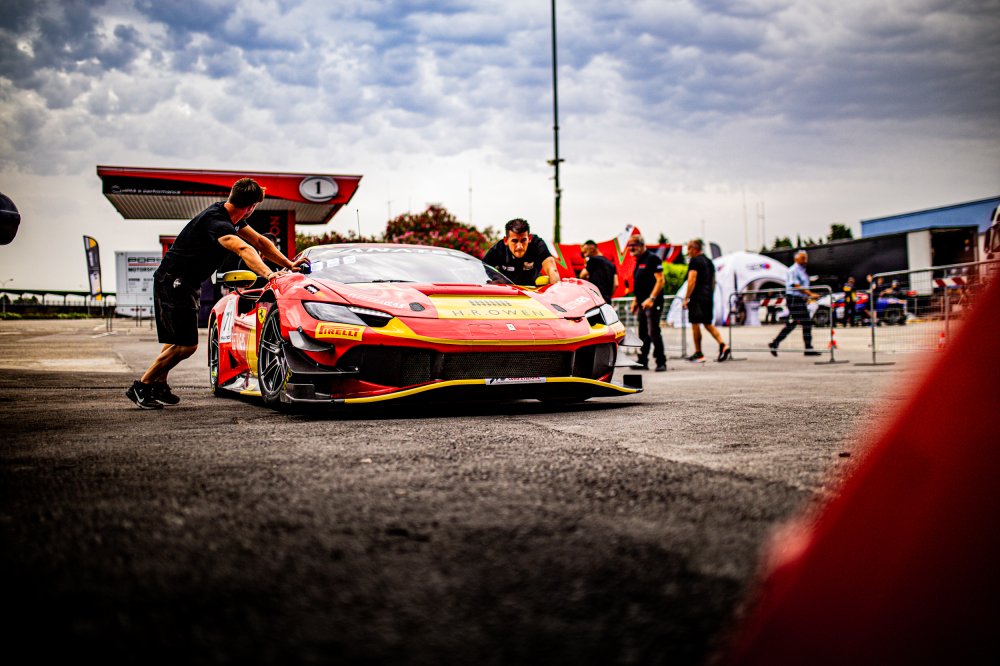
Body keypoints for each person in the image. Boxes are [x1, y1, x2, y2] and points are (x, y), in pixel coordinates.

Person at [125, 178, 308, 409]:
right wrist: (269, 274)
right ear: (251, 207)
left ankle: (159, 384)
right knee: (187, 346)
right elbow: (243, 248)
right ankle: (142, 386)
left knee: (176, 340)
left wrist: (289, 264)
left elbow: (260, 242)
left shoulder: (231, 217)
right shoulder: (217, 222)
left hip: (183, 282)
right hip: (174, 281)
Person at [683, 239, 730, 362]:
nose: (688, 252)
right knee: (708, 323)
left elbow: (692, 280)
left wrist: (686, 298)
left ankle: (698, 353)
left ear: (695, 249)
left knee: (695, 323)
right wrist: (710, 293)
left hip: (697, 297)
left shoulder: (694, 261)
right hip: (708, 296)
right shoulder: (709, 261)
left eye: (689, 249)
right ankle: (723, 345)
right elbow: (713, 281)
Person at [769, 250, 822, 357]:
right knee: (806, 322)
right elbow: (796, 285)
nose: (805, 260)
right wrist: (810, 294)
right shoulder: (793, 270)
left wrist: (807, 297)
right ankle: (808, 348)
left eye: (806, 258)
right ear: (796, 259)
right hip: (794, 299)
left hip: (799, 300)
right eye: (803, 258)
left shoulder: (802, 271)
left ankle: (775, 343)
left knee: (794, 323)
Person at [481, 218, 560, 287]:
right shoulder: (498, 249)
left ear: (529, 238)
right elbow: (482, 269)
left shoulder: (537, 244)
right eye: (514, 241)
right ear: (506, 241)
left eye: (523, 240)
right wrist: (498, 279)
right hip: (507, 291)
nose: (519, 247)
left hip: (532, 291)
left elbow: (552, 270)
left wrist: (556, 293)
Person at [628, 235, 666, 371]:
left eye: (634, 245)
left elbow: (660, 280)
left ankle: (661, 362)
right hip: (642, 304)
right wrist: (635, 300)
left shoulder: (652, 258)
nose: (631, 248)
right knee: (643, 333)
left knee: (653, 332)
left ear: (642, 245)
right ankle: (643, 360)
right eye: (629, 245)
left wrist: (652, 298)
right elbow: (640, 284)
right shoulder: (639, 261)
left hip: (653, 303)